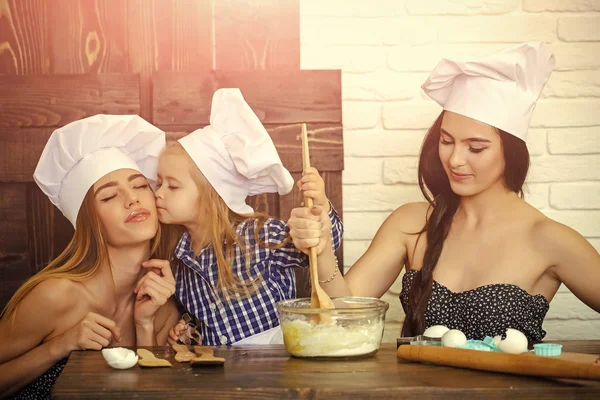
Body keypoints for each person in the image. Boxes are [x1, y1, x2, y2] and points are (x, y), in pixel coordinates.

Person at [288, 42, 600, 342]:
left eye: (475, 147)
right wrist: (324, 248)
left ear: (512, 153)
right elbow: (343, 316)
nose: (454, 159)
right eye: (447, 141)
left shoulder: (549, 239)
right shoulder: (410, 223)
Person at [0, 115, 180, 399]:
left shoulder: (162, 306)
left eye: (140, 185)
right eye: (109, 196)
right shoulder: (56, 296)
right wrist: (58, 346)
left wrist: (144, 325)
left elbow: (151, 396)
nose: (132, 198)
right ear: (88, 221)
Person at [157, 88, 344, 346]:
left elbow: (326, 244)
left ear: (214, 194)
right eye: (159, 183)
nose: (159, 193)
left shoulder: (259, 235)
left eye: (172, 186)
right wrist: (189, 329)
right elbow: (204, 315)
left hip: (275, 366)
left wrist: (320, 209)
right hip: (221, 375)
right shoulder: (180, 258)